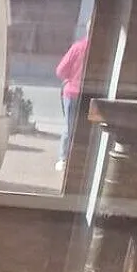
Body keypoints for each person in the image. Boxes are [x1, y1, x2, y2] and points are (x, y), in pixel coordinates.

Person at [55, 24, 90, 172]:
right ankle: (82, 158)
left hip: (72, 92)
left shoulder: (78, 47)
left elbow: (60, 70)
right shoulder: (103, 50)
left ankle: (63, 159)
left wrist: (70, 78)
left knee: (69, 127)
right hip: (91, 94)